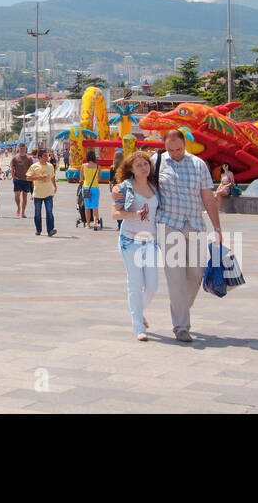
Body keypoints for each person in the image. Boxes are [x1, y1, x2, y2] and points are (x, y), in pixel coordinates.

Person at [155, 128, 230, 342]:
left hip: (195, 224)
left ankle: (180, 307)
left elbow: (208, 197)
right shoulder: (157, 162)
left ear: (185, 144)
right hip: (168, 224)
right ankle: (181, 326)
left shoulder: (198, 165)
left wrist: (217, 227)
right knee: (175, 276)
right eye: (170, 150)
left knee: (196, 273)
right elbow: (142, 183)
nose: (175, 153)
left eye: (178, 149)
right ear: (165, 146)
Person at [111, 151, 160, 341]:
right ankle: (138, 326)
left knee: (153, 285)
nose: (143, 167)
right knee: (135, 283)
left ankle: (139, 311)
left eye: (146, 164)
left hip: (151, 241)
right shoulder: (124, 188)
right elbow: (115, 214)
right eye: (138, 165)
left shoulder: (155, 187)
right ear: (130, 169)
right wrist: (134, 214)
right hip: (130, 240)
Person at [27, 149, 58, 236]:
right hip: (38, 193)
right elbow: (28, 178)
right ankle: (38, 229)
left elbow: (52, 178)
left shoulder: (50, 166)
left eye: (47, 155)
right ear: (39, 157)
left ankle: (50, 230)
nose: (46, 157)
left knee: (49, 212)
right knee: (37, 213)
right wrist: (38, 177)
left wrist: (55, 186)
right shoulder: (34, 166)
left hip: (48, 192)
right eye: (44, 156)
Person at [80, 149, 102, 230]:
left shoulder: (83, 166)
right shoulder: (98, 167)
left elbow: (81, 178)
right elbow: (99, 178)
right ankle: (95, 223)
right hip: (95, 188)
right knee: (95, 207)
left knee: (87, 207)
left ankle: (88, 224)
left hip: (86, 188)